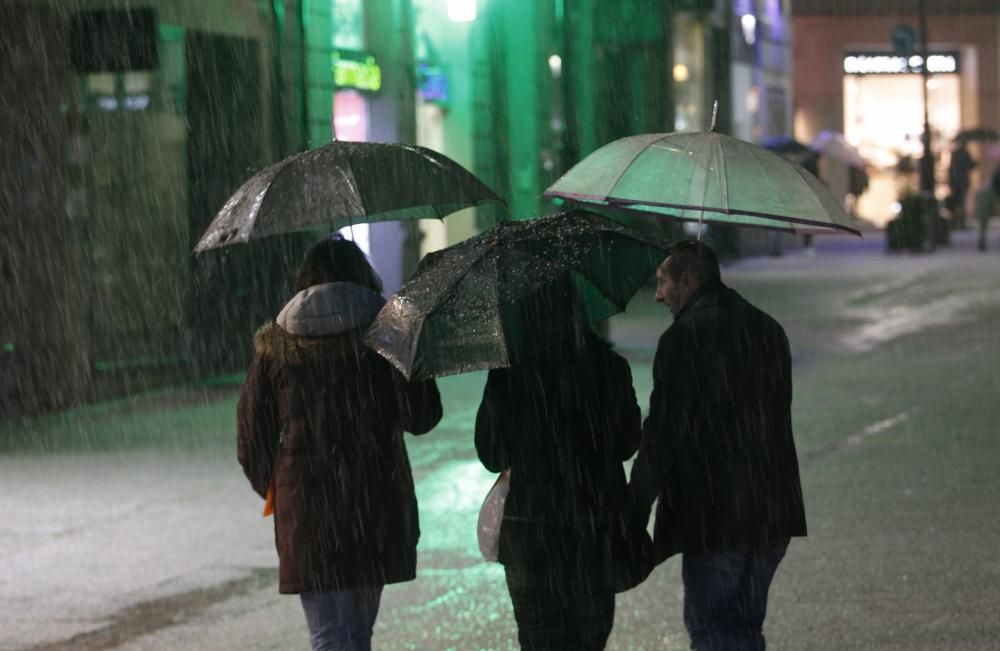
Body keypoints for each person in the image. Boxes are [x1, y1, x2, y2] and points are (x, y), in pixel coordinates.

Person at [237, 235, 442, 651]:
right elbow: (421, 416)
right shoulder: (388, 335)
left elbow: (250, 439)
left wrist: (286, 488)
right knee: (353, 637)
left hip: (311, 520)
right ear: (363, 277)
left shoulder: (276, 348)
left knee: (334, 639)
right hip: (376, 506)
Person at [629, 240, 807, 651]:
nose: (657, 295)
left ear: (687, 280)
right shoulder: (768, 329)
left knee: (711, 631)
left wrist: (634, 506)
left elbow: (662, 435)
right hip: (770, 511)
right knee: (745, 628)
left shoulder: (681, 340)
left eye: (662, 283)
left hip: (716, 515)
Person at [475, 278, 642, 650]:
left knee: (539, 641)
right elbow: (628, 443)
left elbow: (490, 455)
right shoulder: (609, 368)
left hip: (531, 538)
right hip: (593, 535)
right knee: (589, 640)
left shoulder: (509, 373)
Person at [948, 142, 976, 230]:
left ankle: (958, 223)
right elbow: (970, 165)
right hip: (961, 183)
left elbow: (951, 169)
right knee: (961, 203)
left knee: (958, 203)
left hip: (957, 183)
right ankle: (960, 223)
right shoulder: (964, 153)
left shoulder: (956, 154)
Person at [974, 168, 1000, 252]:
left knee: (983, 218)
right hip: (990, 195)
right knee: (983, 217)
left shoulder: (996, 172)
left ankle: (982, 238)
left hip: (987, 194)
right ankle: (982, 239)